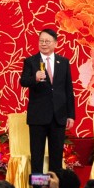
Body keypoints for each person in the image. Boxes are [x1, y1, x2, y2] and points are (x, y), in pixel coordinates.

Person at [20, 29, 75, 174]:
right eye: (41, 41)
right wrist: (34, 78)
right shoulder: (31, 61)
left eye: (47, 41)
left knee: (56, 156)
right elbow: (23, 81)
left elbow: (68, 89)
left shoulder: (63, 62)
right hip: (38, 116)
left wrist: (71, 115)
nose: (44, 44)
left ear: (55, 43)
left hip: (59, 116)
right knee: (37, 155)